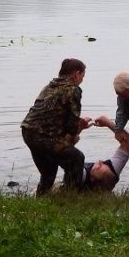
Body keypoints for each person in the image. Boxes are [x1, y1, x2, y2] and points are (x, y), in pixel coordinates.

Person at [20, 58, 92, 195]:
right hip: (44, 136)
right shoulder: (73, 89)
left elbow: (49, 115)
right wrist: (81, 125)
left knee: (49, 170)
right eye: (82, 76)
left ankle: (41, 197)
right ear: (76, 74)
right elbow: (71, 127)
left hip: (28, 132)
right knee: (76, 158)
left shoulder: (49, 86)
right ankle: (70, 196)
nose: (82, 80)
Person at [82, 115, 129, 192]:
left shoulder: (82, 174)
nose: (100, 161)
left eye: (98, 167)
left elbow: (65, 148)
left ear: (91, 178)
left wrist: (78, 127)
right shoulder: (111, 173)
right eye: (104, 163)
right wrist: (109, 124)